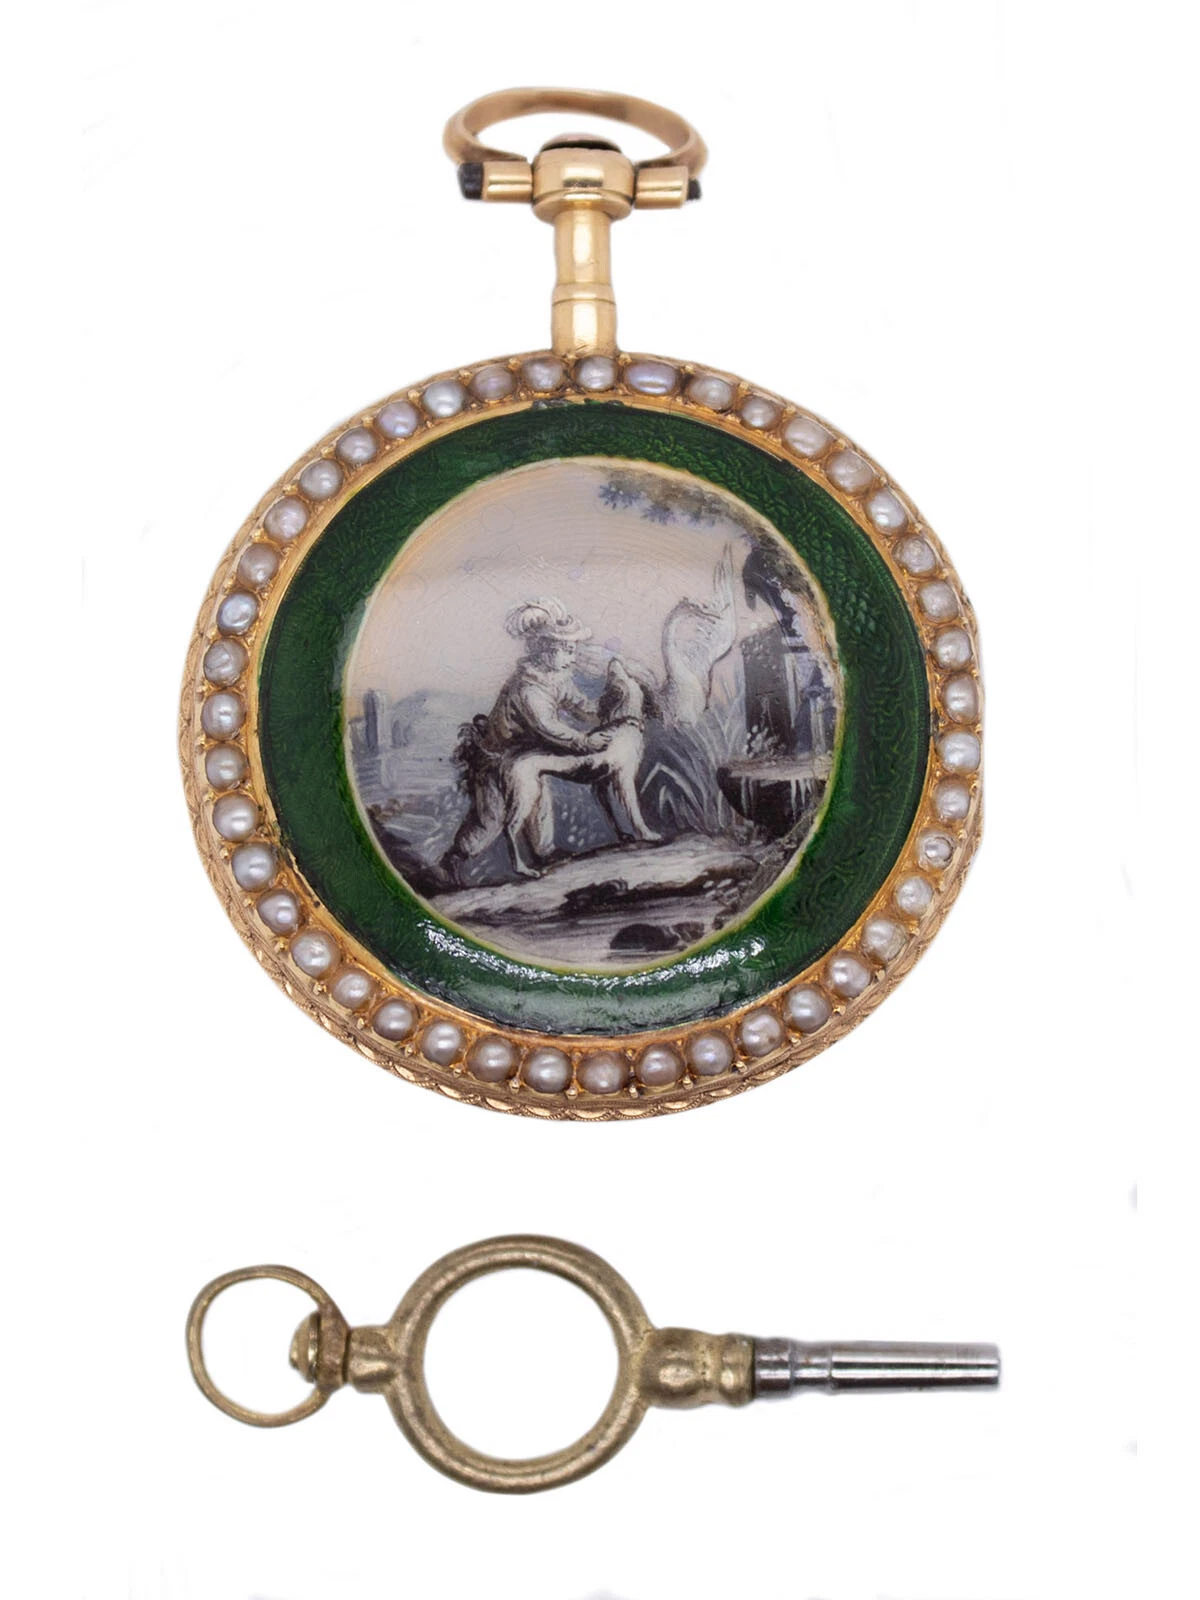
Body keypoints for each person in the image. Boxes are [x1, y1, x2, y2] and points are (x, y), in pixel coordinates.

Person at [440, 598, 614, 881]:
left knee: (537, 800)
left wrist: (605, 710)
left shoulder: (556, 677)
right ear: (542, 650)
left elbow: (580, 705)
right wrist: (585, 743)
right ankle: (453, 861)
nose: (572, 657)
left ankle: (544, 852)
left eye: (573, 650)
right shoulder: (528, 688)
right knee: (491, 818)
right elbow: (548, 727)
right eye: (566, 650)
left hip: (523, 758)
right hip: (496, 761)